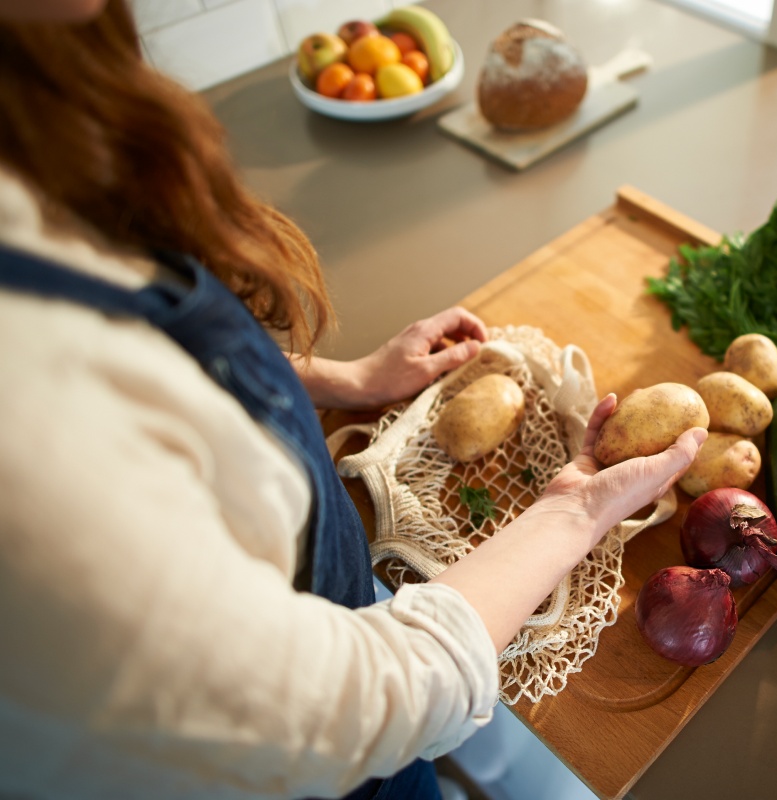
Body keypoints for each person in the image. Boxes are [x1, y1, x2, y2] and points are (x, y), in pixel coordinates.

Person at [0, 2, 706, 798]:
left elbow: (139, 349)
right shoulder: (28, 436)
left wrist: (342, 380)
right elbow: (363, 703)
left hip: (326, 592)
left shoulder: (40, 98)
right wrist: (575, 512)